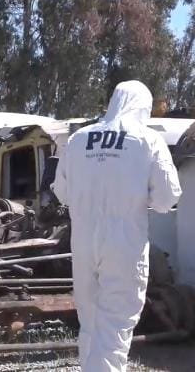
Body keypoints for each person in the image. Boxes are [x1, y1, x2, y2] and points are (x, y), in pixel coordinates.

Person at [52, 80, 182, 371]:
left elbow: (61, 192)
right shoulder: (147, 140)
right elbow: (167, 198)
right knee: (114, 326)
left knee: (91, 323)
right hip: (124, 243)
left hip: (84, 242)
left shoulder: (78, 139)